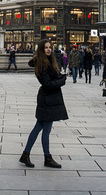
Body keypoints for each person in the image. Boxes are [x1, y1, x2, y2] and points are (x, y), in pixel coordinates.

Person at [19, 39, 67, 169]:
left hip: (49, 99)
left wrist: (60, 77)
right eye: (46, 47)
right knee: (45, 130)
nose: (49, 49)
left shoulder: (49, 62)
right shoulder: (41, 64)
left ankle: (26, 154)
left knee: (40, 128)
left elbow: (53, 78)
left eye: (50, 47)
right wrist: (61, 81)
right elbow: (47, 84)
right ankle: (47, 158)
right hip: (47, 99)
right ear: (41, 49)